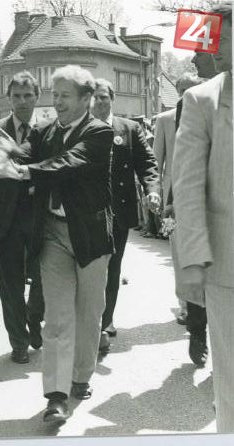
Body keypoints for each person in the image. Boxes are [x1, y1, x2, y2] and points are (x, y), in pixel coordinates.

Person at [0, 65, 114, 421]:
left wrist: (26, 171)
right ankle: (56, 395)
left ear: (86, 98)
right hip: (53, 234)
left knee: (89, 313)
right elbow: (23, 152)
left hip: (90, 235)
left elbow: (69, 162)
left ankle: (80, 376)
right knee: (57, 316)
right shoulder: (45, 132)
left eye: (64, 96)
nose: (56, 102)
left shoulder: (99, 132)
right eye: (54, 95)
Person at [172, 2, 232, 432]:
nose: (217, 48)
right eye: (215, 39)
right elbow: (188, 186)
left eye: (225, 38)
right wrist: (192, 259)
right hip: (228, 268)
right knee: (230, 384)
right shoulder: (201, 100)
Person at [0, 70, 44, 364]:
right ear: (9, 99)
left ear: (37, 97)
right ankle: (19, 341)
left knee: (43, 281)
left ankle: (34, 319)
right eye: (17, 96)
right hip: (5, 218)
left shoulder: (49, 129)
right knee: (10, 283)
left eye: (28, 96)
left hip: (42, 218)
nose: (22, 101)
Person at [91, 78, 160, 352]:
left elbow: (147, 164)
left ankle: (104, 321)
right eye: (94, 97)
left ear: (112, 99)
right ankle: (91, 321)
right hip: (88, 212)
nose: (98, 102)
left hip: (118, 211)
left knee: (112, 266)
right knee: (91, 268)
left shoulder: (129, 129)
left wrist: (152, 190)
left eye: (103, 97)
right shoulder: (81, 128)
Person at [153, 73, 203, 328]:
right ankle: (185, 306)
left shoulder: (209, 115)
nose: (188, 95)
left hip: (203, 195)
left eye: (193, 89)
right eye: (184, 90)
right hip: (174, 199)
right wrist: (157, 195)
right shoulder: (165, 120)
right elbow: (156, 161)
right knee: (178, 253)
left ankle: (203, 305)